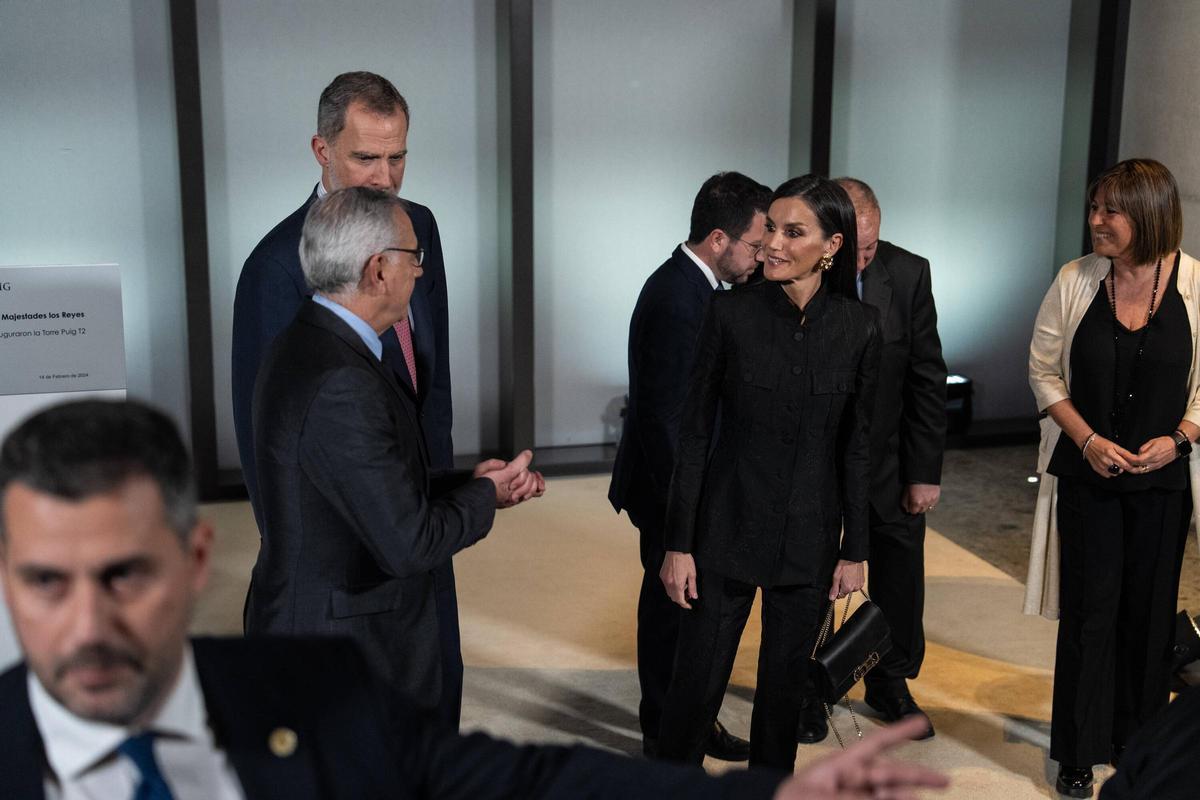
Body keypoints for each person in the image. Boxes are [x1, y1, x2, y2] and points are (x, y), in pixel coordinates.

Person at [0, 399, 950, 799]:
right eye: (45, 583)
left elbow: (531, 784)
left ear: (196, 555)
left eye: (123, 576)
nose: (87, 625)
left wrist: (767, 792)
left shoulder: (313, 691)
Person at [244, 187, 544, 723]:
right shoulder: (342, 380)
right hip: (346, 643)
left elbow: (363, 481)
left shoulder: (310, 342)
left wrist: (465, 483)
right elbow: (407, 544)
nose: (421, 273)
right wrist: (486, 496)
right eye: (414, 258)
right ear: (379, 270)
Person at [230, 71, 465, 729]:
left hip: (419, 514)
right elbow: (263, 432)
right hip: (339, 555)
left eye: (398, 157)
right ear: (321, 151)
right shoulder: (277, 265)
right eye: (366, 157)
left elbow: (429, 379)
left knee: (436, 689)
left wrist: (438, 496)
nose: (385, 177)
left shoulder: (420, 227)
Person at [656, 175, 881, 770]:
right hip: (724, 534)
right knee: (695, 689)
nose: (772, 245)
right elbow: (695, 434)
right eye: (771, 229)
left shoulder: (861, 328)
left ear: (832, 245)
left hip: (808, 542)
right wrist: (679, 544)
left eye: (792, 232)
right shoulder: (729, 314)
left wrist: (854, 548)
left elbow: (857, 448)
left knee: (781, 700)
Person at [1026, 158, 1199, 798]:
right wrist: (1089, 439)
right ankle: (1076, 749)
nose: (1095, 220)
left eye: (1110, 211)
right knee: (1089, 615)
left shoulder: (1195, 284)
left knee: (1149, 616)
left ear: (1149, 215)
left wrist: (1178, 440)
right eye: (1094, 207)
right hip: (1088, 475)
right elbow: (1043, 373)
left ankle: (1137, 739)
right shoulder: (1076, 280)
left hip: (1162, 482)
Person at [609, 171, 771, 761]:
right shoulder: (675, 298)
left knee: (688, 619)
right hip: (669, 491)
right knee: (669, 619)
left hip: (685, 487)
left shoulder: (697, 287)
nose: (761, 257)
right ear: (720, 240)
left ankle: (689, 725)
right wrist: (691, 515)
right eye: (756, 245)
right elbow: (665, 423)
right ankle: (665, 738)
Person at [816, 177, 946, 742]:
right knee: (814, 569)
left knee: (899, 571)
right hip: (817, 457)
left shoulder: (910, 272)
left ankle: (890, 679)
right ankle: (806, 684)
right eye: (855, 247)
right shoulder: (799, 270)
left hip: (889, 456)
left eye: (872, 246)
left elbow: (926, 375)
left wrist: (924, 472)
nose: (864, 258)